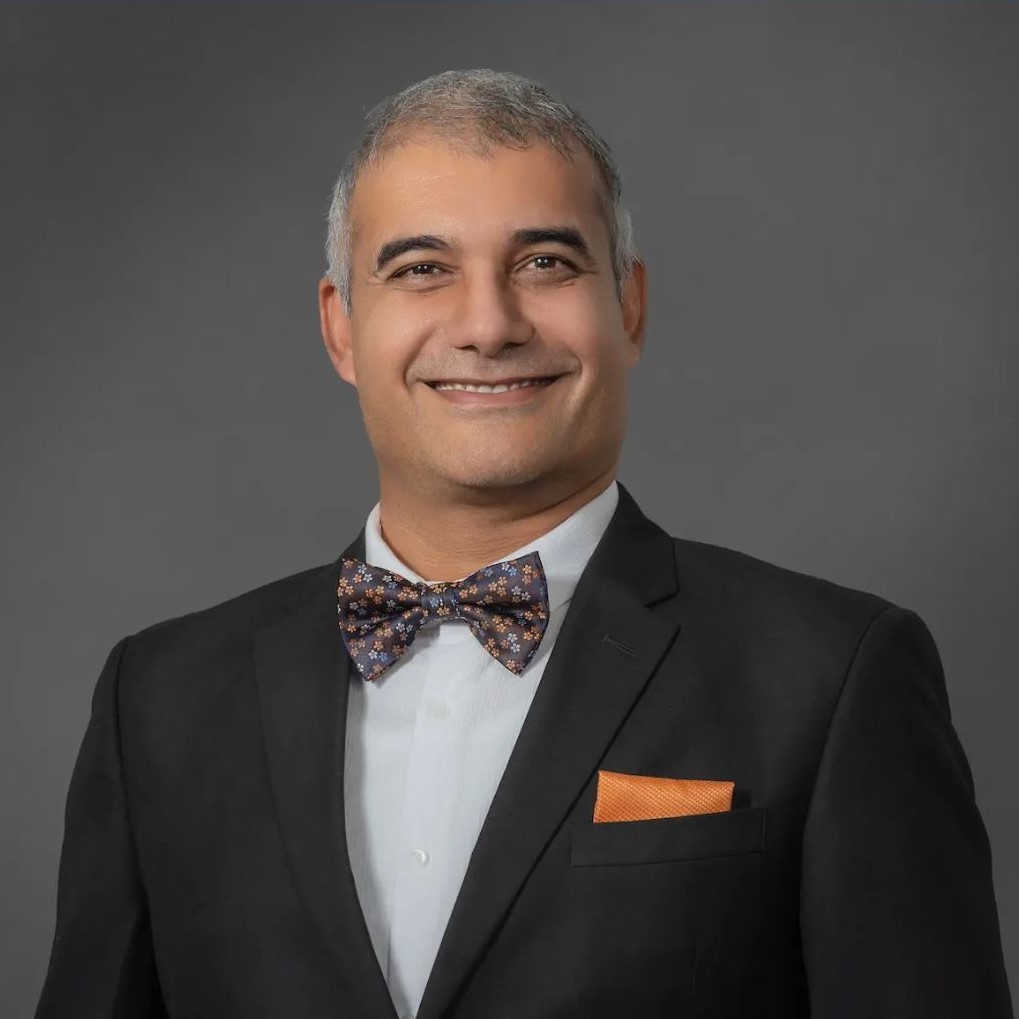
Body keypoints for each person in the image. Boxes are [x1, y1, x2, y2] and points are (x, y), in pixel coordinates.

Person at [36, 69, 1012, 1019]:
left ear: (626, 305)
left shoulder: (831, 674)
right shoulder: (155, 701)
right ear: (340, 327)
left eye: (544, 261)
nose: (488, 324)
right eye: (421, 269)